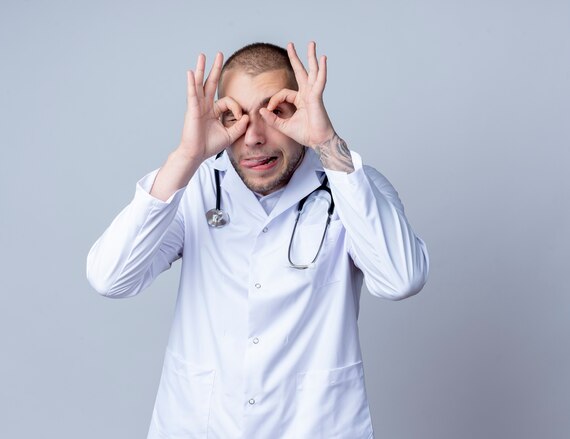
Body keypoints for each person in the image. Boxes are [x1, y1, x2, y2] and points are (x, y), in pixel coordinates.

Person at [86, 41, 429, 439]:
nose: (252, 137)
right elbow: (110, 278)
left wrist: (326, 142)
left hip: (313, 426)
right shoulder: (193, 187)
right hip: (201, 426)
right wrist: (186, 155)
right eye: (235, 115)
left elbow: (402, 278)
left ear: (302, 110)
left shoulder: (352, 187)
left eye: (275, 112)